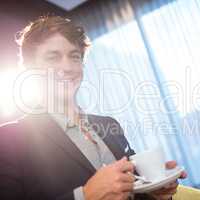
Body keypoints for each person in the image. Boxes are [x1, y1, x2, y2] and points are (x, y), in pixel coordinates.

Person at [0, 16, 187, 200]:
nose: (67, 67)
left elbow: (137, 188)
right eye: (53, 57)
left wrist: (156, 192)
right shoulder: (8, 140)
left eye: (74, 57)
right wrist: (85, 196)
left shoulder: (109, 125)